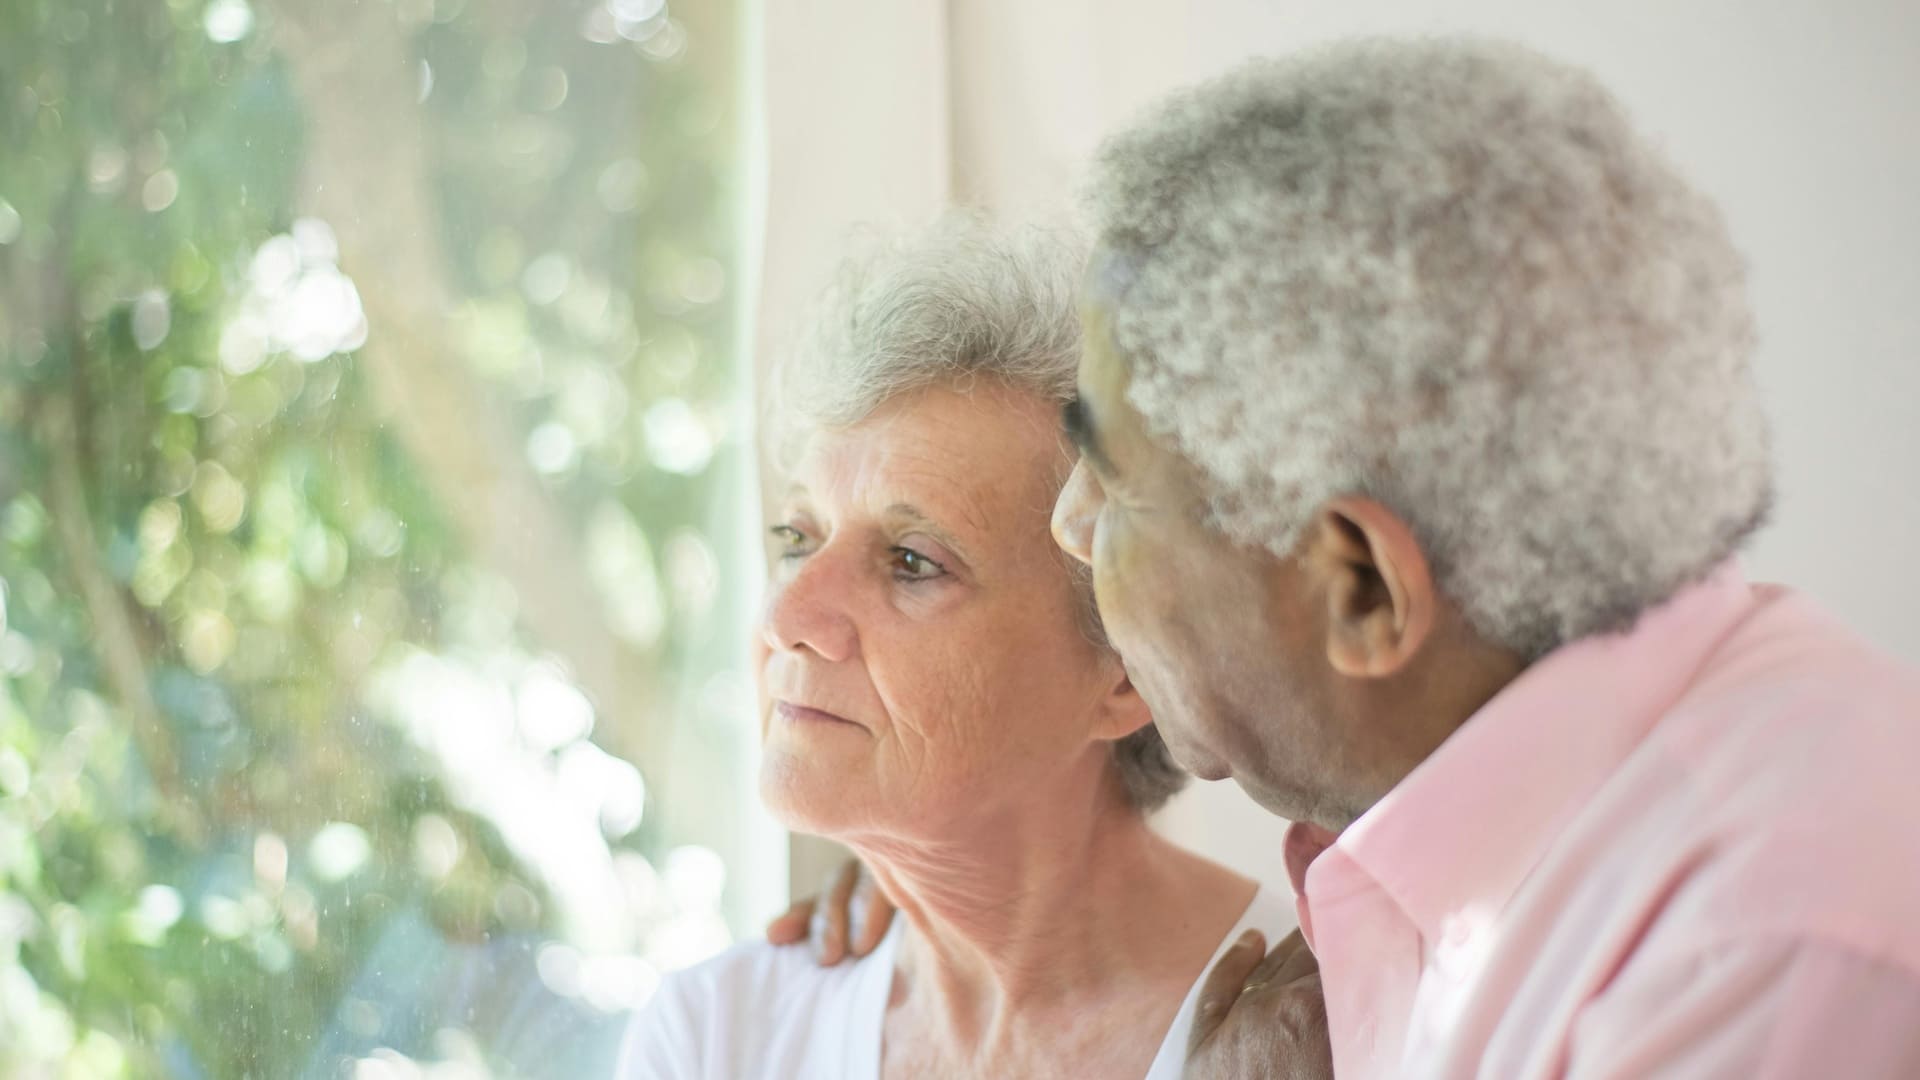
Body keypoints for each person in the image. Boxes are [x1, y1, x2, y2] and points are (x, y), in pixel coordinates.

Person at [803, 36, 1920, 1078]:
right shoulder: (1494, 849)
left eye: (1116, 478)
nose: (1070, 525)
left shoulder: (1761, 951)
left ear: (1363, 590)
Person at [617, 216, 1298, 1079]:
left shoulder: (1325, 1025)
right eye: (798, 536)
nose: (789, 612)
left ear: (1127, 671)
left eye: (910, 562)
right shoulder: (719, 1035)